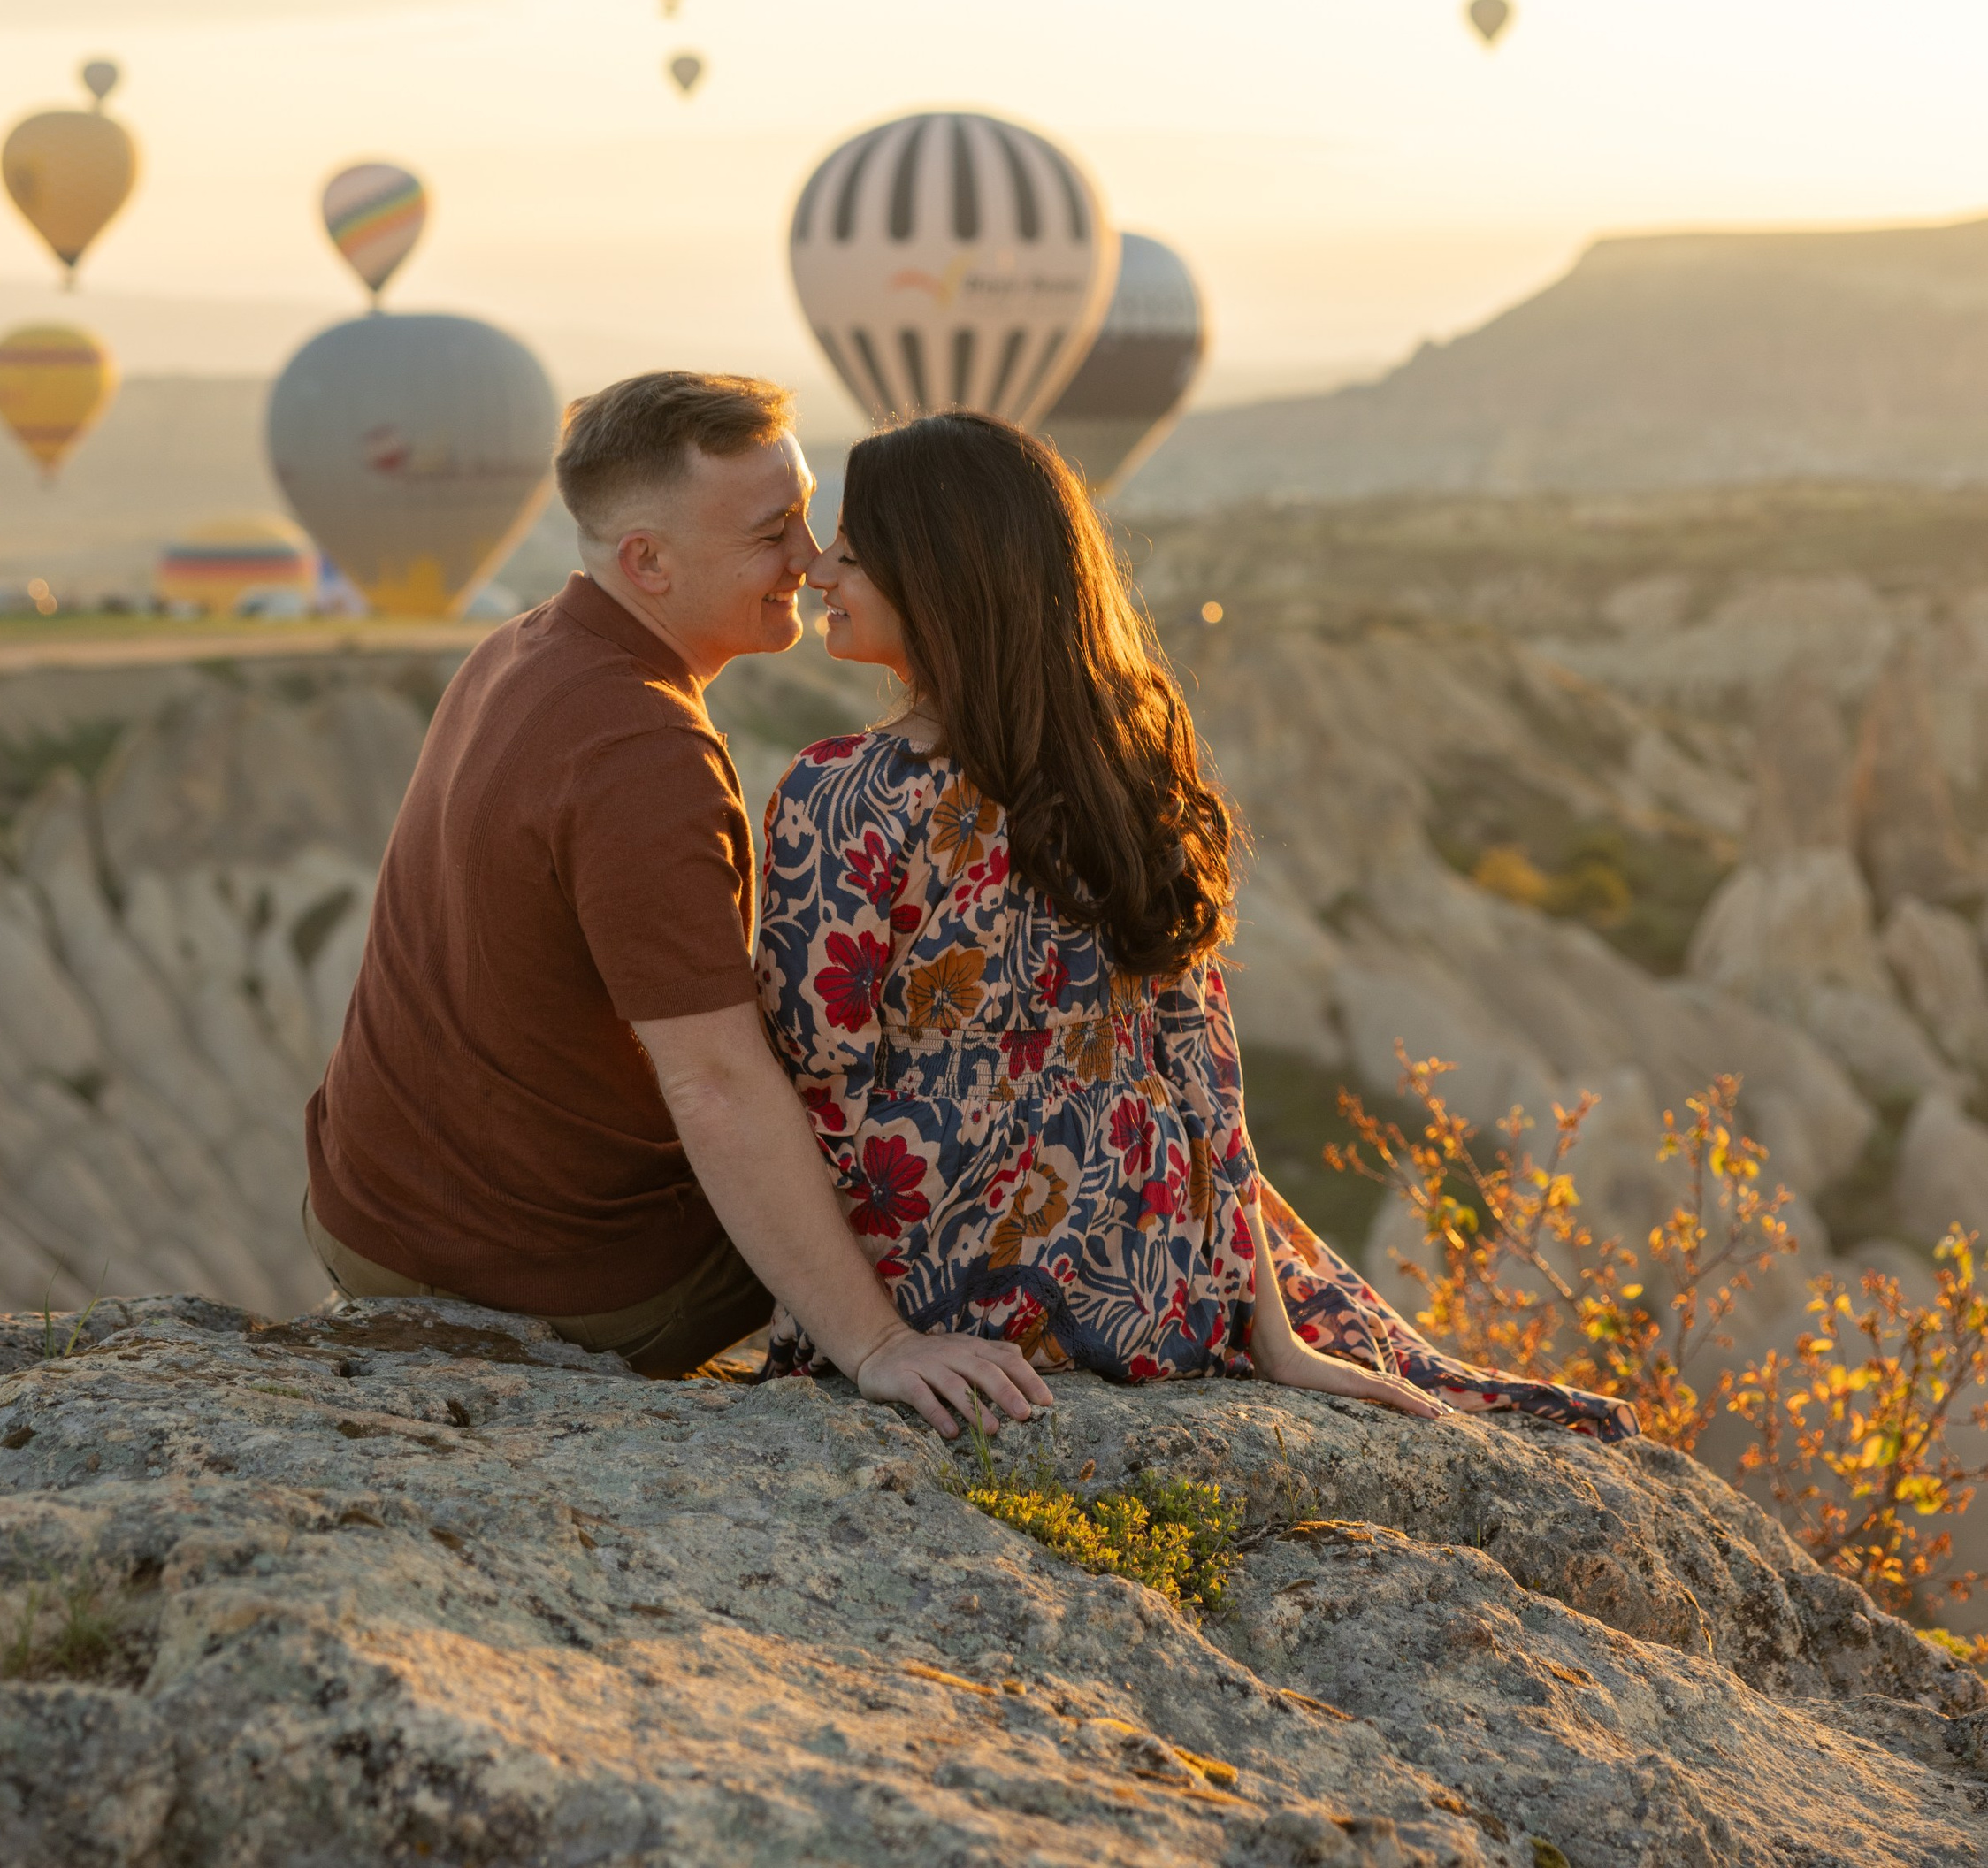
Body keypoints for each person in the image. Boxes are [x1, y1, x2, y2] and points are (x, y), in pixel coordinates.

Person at [758, 409, 1635, 1435]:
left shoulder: (843, 795)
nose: (818, 570)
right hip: (1154, 1282)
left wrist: (850, 1335)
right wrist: (1270, 1327)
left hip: (944, 1294)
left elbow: (813, 1083)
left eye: (853, 551)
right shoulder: (1122, 776)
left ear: (940, 577)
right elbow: (1200, 1067)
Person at [302, 368, 1051, 1437]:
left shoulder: (516, 651)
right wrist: (878, 1345)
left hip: (366, 1217)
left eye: (802, 518)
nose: (811, 557)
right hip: (551, 1284)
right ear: (645, 561)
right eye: (770, 532)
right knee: (930, 1124)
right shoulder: (639, 750)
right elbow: (710, 1083)